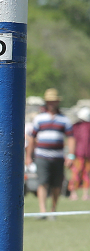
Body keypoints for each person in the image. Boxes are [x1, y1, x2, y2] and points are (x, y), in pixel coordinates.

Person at [26, 88, 74, 218]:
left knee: (57, 185)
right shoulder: (39, 118)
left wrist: (71, 155)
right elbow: (32, 138)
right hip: (41, 156)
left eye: (54, 101)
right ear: (46, 102)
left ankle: (53, 210)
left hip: (58, 157)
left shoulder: (64, 119)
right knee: (42, 182)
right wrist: (28, 156)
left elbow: (70, 137)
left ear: (57, 102)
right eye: (49, 101)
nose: (52, 104)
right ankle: (43, 211)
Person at [69, 106, 90, 201]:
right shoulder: (76, 126)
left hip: (80, 154)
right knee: (83, 174)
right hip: (81, 154)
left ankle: (77, 194)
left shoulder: (76, 126)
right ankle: (81, 194)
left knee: (78, 173)